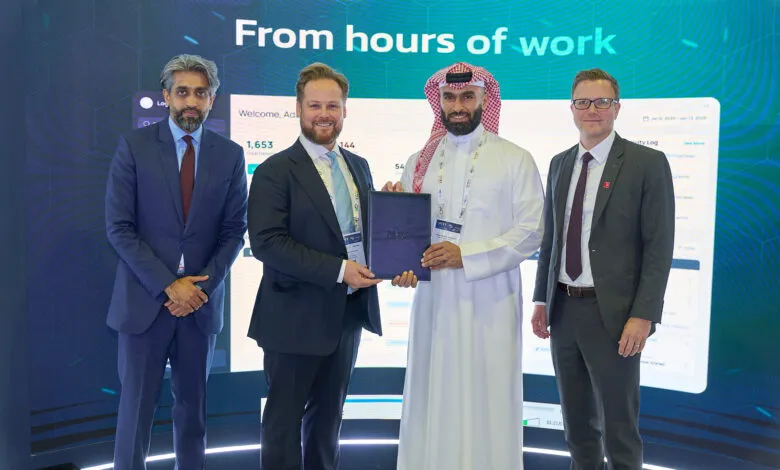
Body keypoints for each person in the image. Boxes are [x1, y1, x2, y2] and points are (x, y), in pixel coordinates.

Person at [384, 62, 545, 470]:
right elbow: (405, 233)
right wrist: (393, 237)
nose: (458, 106)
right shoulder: (418, 161)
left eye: (467, 97)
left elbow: (531, 232)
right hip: (434, 304)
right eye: (450, 98)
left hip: (489, 305)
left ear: (484, 100)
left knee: (487, 397)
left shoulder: (515, 159)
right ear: (439, 102)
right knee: (431, 391)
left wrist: (467, 255)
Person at [105, 54, 248, 469]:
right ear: (166, 95)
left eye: (200, 93)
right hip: (144, 305)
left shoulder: (230, 155)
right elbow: (120, 228)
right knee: (134, 418)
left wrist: (198, 290)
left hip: (198, 310)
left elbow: (233, 232)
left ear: (212, 99)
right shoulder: (134, 147)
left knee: (192, 420)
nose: (191, 101)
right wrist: (170, 285)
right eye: (182, 91)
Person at [531, 68, 675, 470]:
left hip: (614, 317)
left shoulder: (647, 163)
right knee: (577, 426)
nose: (592, 110)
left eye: (602, 102)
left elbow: (659, 247)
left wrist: (643, 315)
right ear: (572, 108)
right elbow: (552, 240)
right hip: (563, 310)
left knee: (620, 430)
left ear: (617, 108)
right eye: (583, 102)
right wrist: (541, 299)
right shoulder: (560, 163)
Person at [246, 62, 382, 470]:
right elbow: (267, 244)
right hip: (293, 319)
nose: (324, 114)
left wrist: (393, 217)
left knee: (328, 423)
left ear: (345, 110)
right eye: (315, 105)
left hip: (345, 317)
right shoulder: (274, 171)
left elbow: (367, 232)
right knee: (283, 427)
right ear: (299, 108)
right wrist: (340, 270)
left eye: (333, 106)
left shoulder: (358, 166)